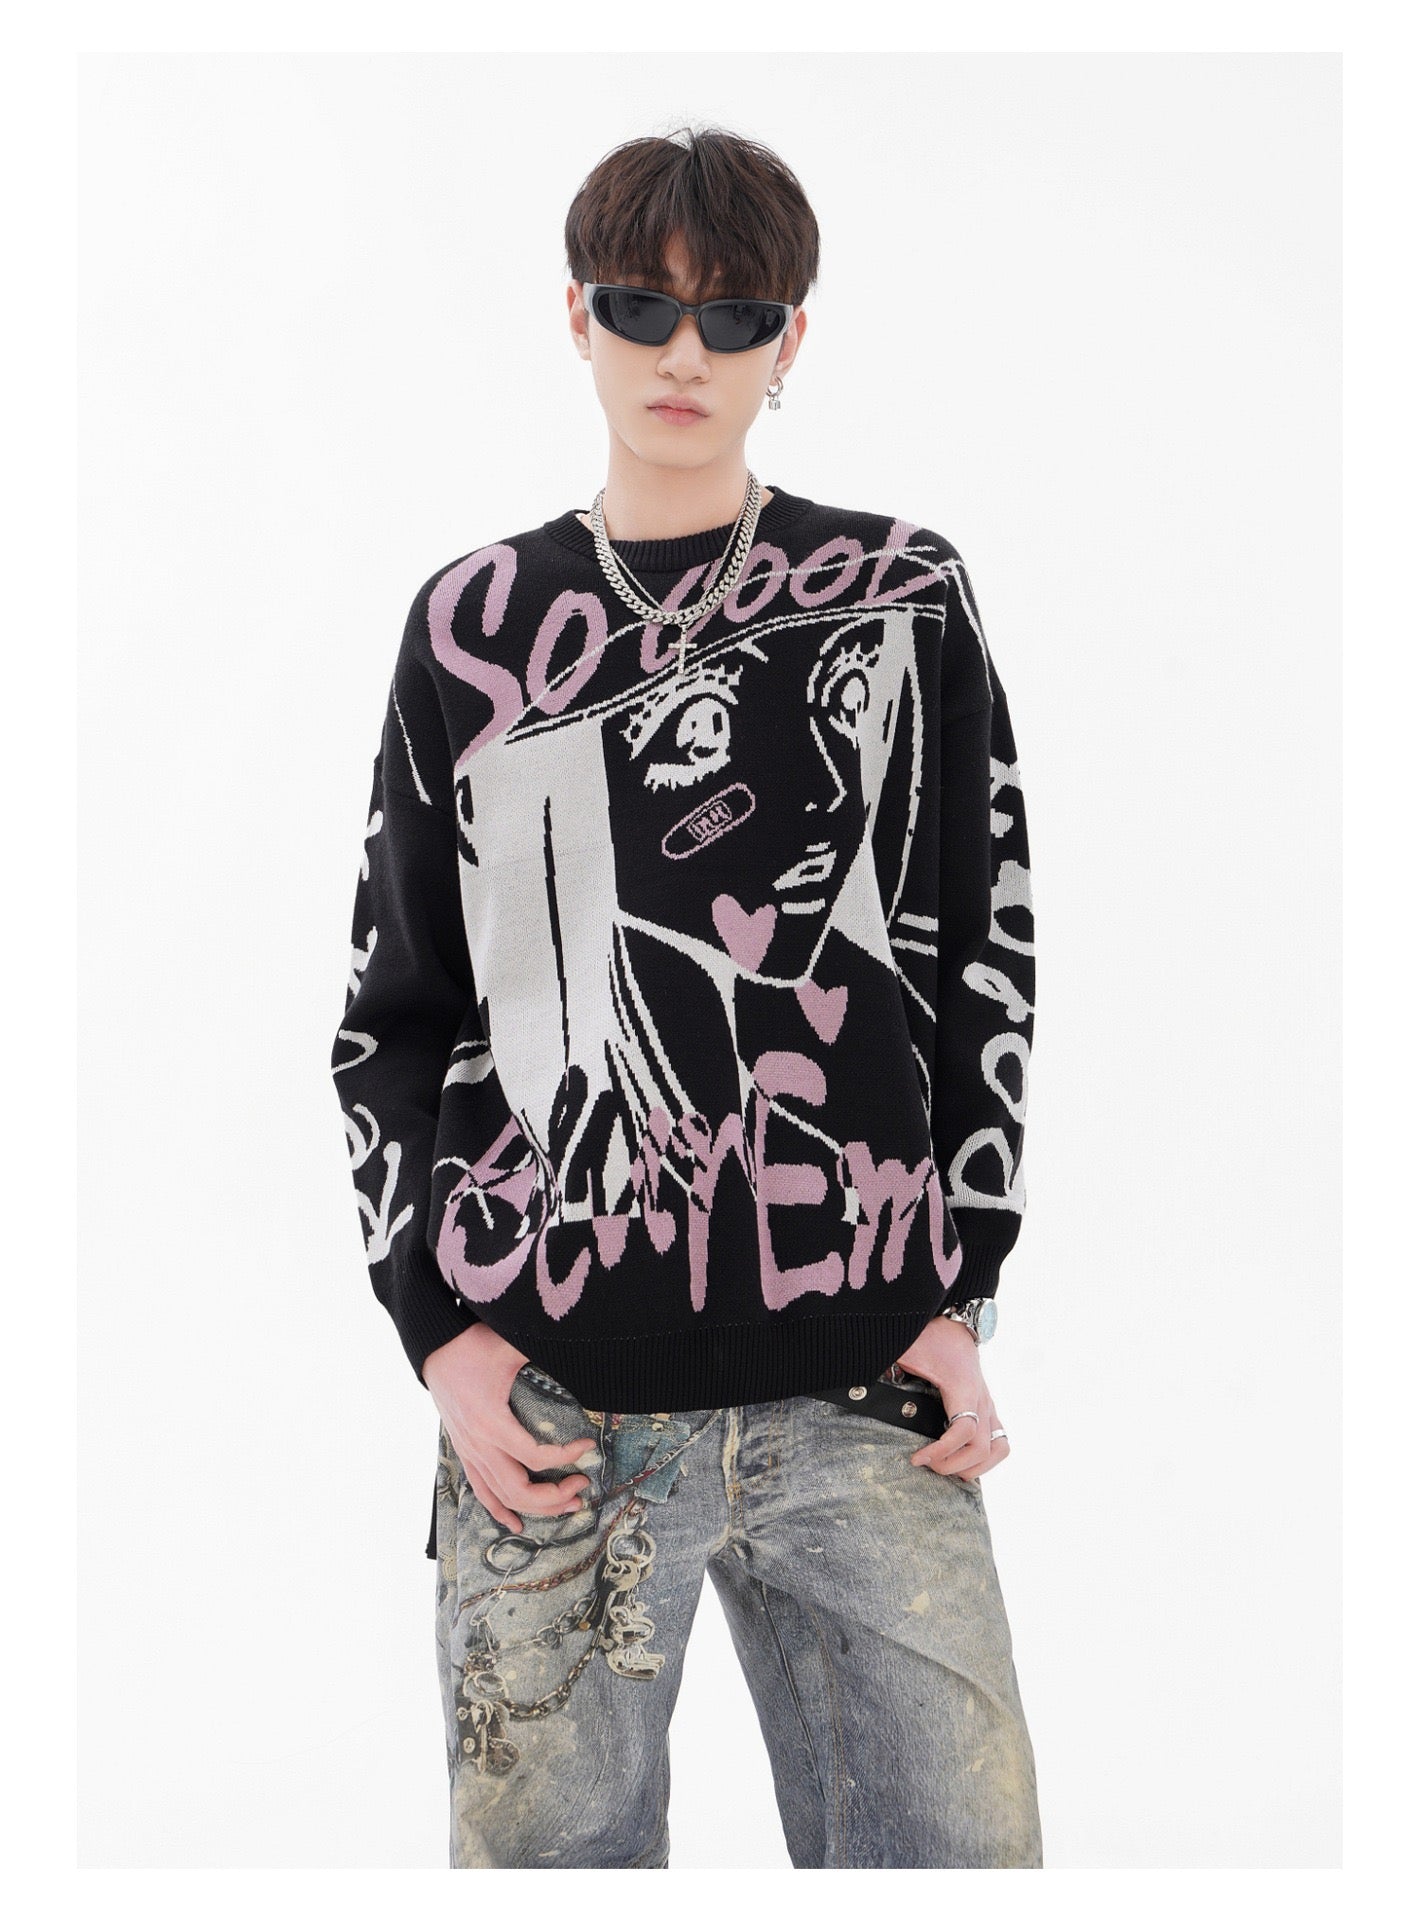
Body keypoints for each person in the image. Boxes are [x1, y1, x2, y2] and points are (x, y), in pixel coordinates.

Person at [330, 123, 1042, 1870]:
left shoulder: (900, 594)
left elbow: (981, 952)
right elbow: (395, 1009)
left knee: (962, 1867)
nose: (684, 353)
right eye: (644, 305)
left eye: (735, 317)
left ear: (791, 341)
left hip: (861, 1387)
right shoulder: (477, 625)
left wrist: (958, 1281)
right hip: (554, 1403)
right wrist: (439, 1329)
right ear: (578, 315)